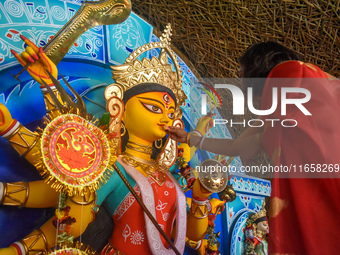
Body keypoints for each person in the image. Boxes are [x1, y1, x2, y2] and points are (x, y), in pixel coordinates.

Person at [0, 25, 226, 255]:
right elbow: (76, 218)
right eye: (153, 108)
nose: (164, 118)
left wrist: (199, 198)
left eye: (170, 113)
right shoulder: (114, 167)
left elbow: (192, 235)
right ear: (119, 108)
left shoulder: (171, 178)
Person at [167, 41, 340, 254]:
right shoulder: (275, 118)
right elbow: (235, 146)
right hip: (310, 201)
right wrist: (190, 138)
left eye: (242, 71)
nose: (239, 78)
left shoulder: (294, 75)